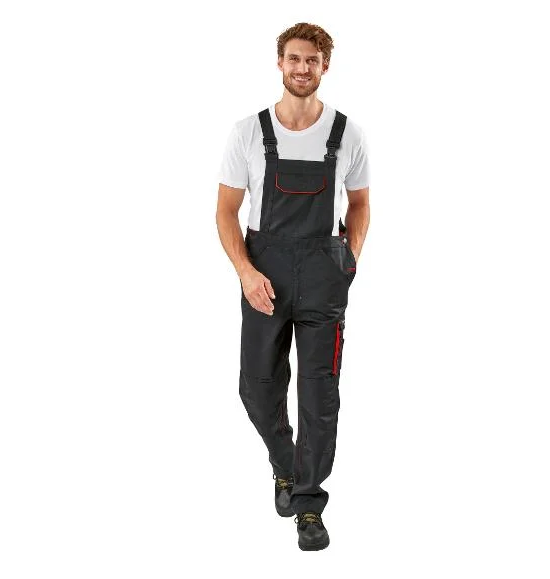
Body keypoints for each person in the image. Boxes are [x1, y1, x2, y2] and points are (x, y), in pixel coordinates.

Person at [215, 22, 370, 551]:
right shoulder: (248, 132)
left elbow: (361, 204)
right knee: (256, 386)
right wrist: (246, 272)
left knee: (319, 396)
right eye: (294, 59)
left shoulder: (347, 134)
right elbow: (226, 212)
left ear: (326, 66)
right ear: (280, 63)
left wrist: (349, 259)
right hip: (265, 274)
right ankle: (286, 465)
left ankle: (308, 504)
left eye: (312, 60)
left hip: (324, 274)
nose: (303, 68)